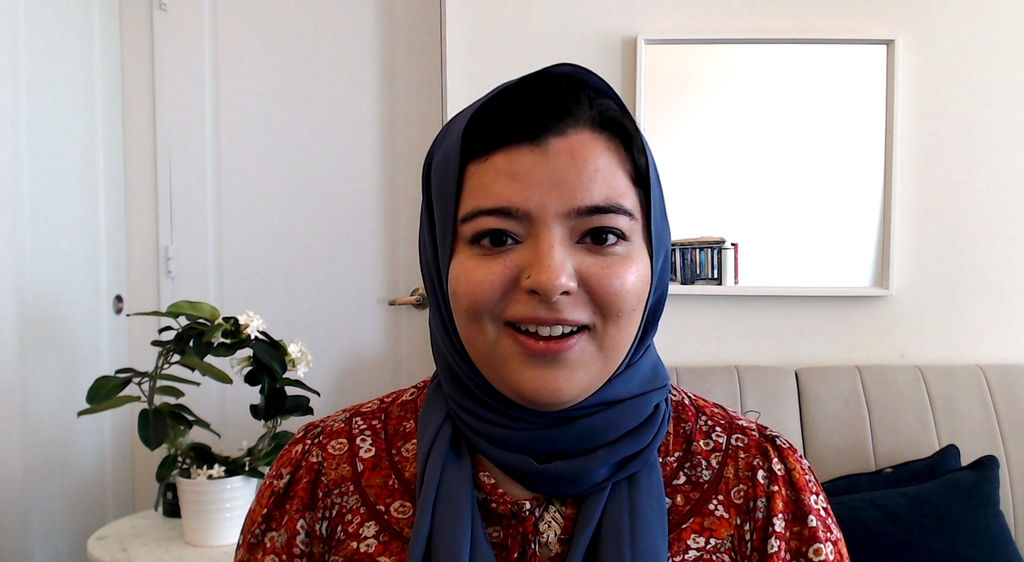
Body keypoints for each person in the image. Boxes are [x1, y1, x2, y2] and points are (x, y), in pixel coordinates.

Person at [235, 63, 848, 562]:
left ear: (654, 258)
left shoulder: (760, 483)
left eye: (601, 235)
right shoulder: (323, 475)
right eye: (496, 237)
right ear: (439, 261)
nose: (551, 280)